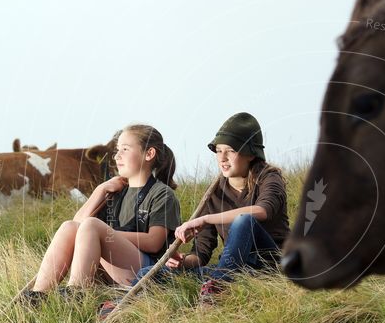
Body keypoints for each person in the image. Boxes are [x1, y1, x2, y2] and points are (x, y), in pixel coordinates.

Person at [23, 124, 181, 304]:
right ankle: (37, 297)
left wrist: (106, 234)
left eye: (125, 149)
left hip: (147, 272)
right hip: (112, 271)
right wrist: (101, 189)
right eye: (117, 150)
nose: (116, 156)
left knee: (91, 226)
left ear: (149, 154)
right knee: (69, 226)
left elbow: (154, 242)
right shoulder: (115, 191)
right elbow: (77, 226)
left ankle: (76, 294)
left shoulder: (161, 194)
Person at [147, 112, 289, 305]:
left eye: (230, 150)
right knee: (149, 272)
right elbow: (201, 254)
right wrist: (183, 262)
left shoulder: (269, 178)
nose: (222, 158)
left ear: (250, 153)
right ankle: (121, 302)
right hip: (235, 270)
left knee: (244, 220)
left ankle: (218, 286)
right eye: (218, 150)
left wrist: (206, 219)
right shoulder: (215, 192)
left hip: (270, 267)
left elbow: (262, 210)